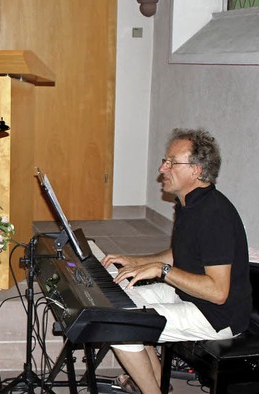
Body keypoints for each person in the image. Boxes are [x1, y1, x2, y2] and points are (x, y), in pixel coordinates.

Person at [101, 128, 252, 394]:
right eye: (164, 160)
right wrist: (137, 261)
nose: (162, 168)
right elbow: (180, 253)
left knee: (118, 327)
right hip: (188, 296)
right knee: (118, 301)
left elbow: (218, 293)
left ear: (195, 171)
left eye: (171, 162)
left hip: (216, 315)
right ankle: (159, 385)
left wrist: (161, 270)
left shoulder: (214, 215)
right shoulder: (189, 203)